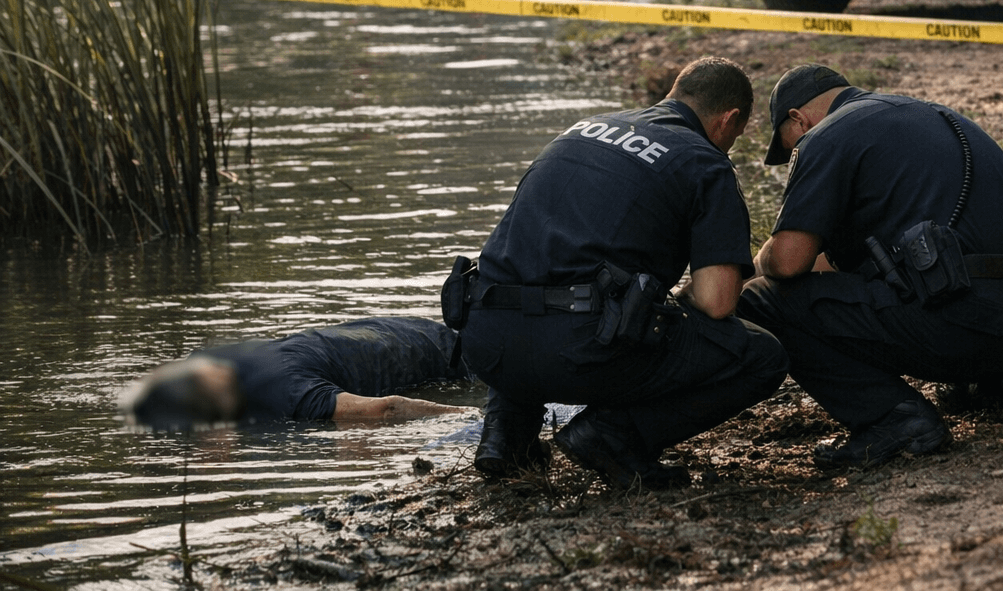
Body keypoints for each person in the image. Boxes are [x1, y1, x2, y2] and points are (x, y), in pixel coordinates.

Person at [455, 57, 787, 487]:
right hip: (580, 352)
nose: (730, 145)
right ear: (730, 119)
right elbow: (717, 300)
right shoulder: (704, 161)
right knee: (762, 356)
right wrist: (670, 307)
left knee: (536, 276)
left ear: (674, 91)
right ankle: (613, 434)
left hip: (484, 343)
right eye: (735, 137)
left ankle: (505, 437)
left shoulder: (579, 130)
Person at [736, 64, 1003, 469]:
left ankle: (893, 418)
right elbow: (841, 262)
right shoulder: (928, 114)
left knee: (763, 300)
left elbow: (788, 264)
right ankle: (990, 382)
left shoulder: (823, 137)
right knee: (922, 260)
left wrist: (749, 270)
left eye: (787, 149)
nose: (791, 157)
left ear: (797, 119)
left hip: (974, 328)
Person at [125, 317, 473, 429]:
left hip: (452, 359)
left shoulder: (288, 390)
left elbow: (387, 409)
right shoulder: (210, 358)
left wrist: (470, 415)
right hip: (408, 328)